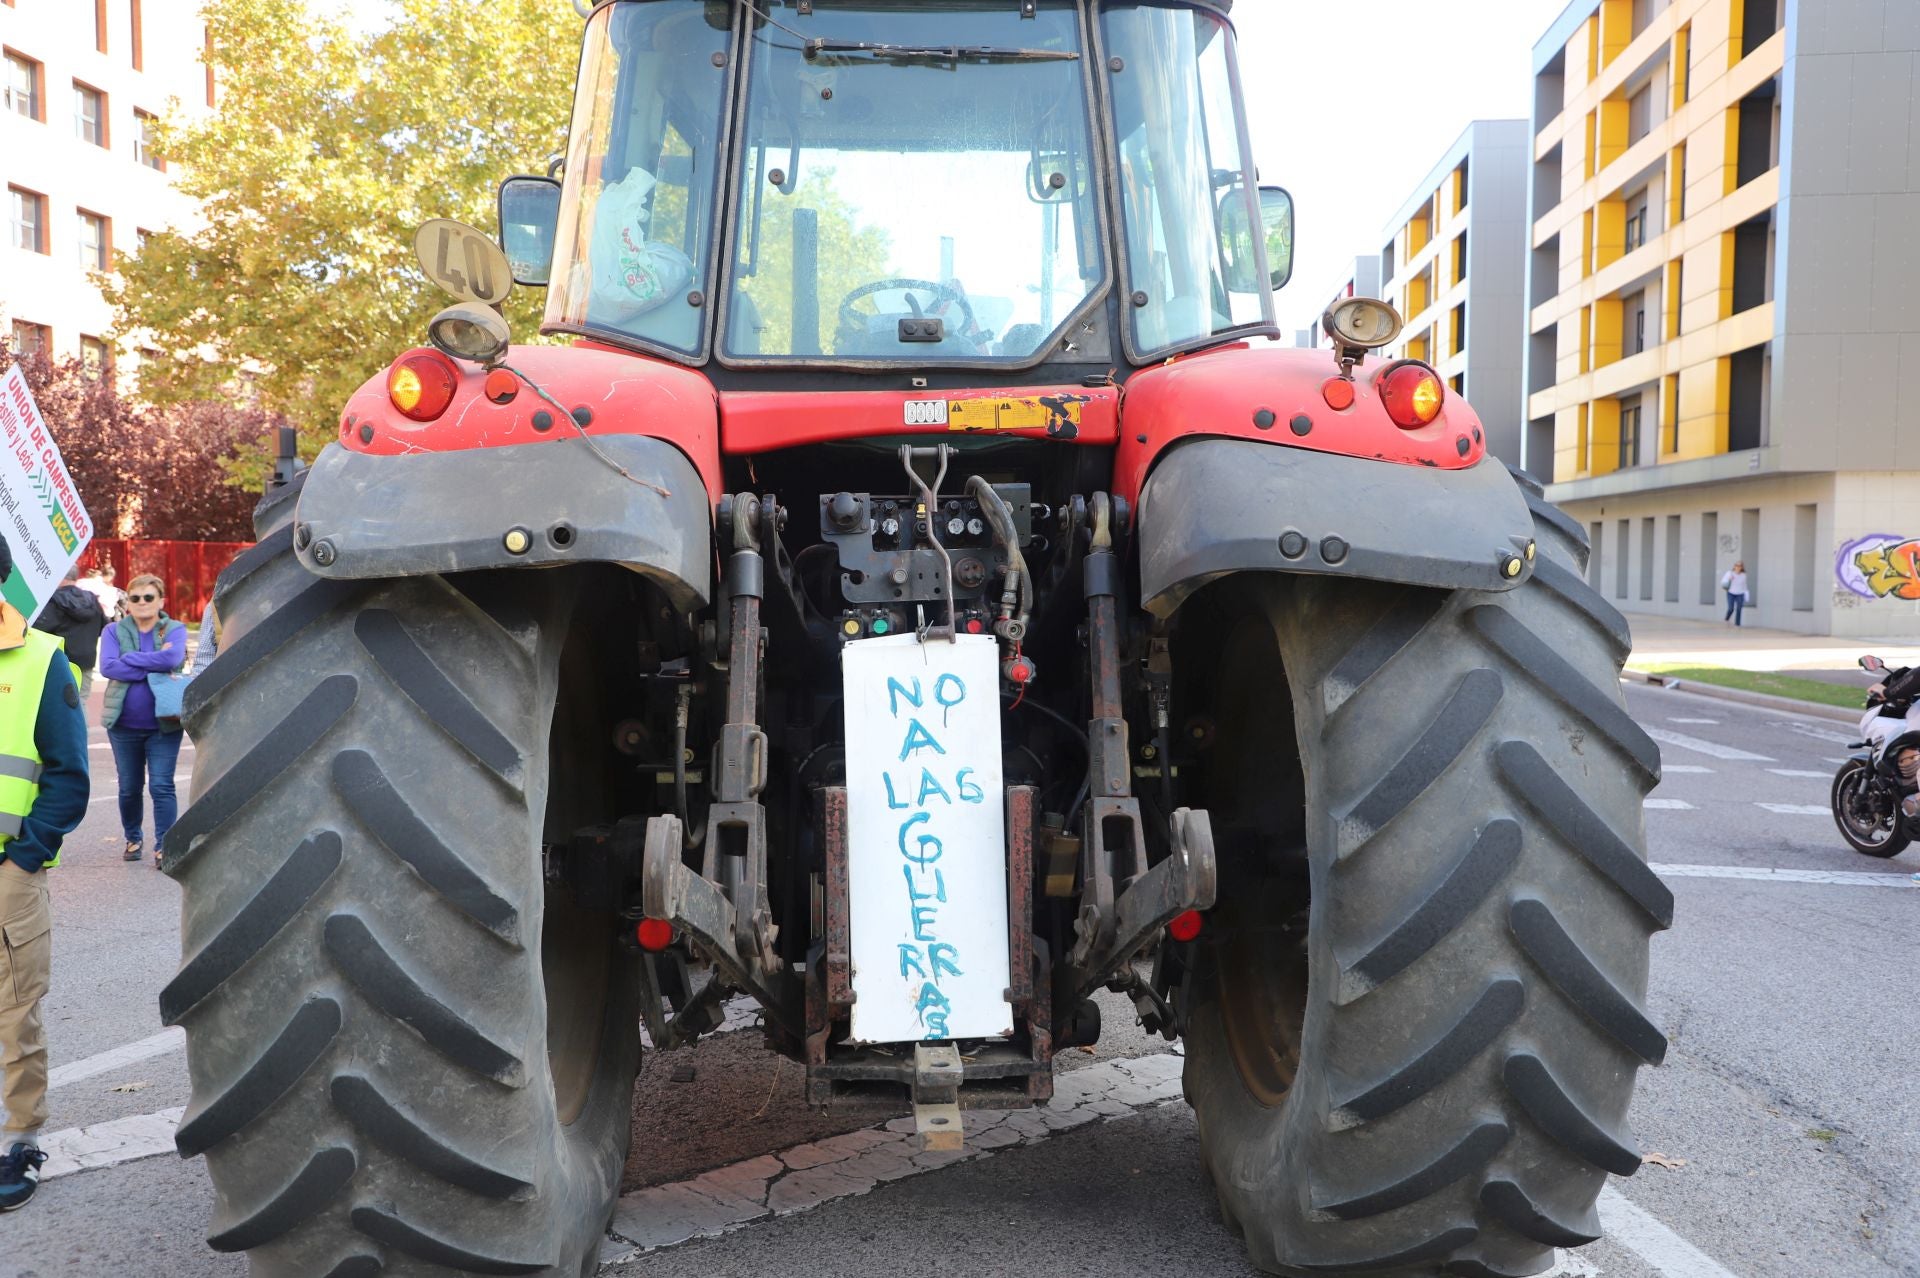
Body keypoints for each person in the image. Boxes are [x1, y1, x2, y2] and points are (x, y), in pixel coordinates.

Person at [0, 534, 90, 1212]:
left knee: (14, 1013)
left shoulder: (42, 663)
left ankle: (21, 1140)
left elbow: (68, 778)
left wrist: (26, 853)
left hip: (9, 871)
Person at [97, 575, 186, 868]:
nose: (142, 603)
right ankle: (133, 837)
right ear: (128, 603)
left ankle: (165, 846)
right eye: (135, 598)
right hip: (123, 726)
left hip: (164, 725)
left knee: (161, 786)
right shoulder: (113, 630)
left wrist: (131, 659)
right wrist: (151, 662)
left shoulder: (174, 629)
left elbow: (172, 660)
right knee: (129, 787)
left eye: (149, 597)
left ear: (161, 601)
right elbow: (108, 666)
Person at [34, 569, 107, 699]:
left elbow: (39, 629)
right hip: (87, 659)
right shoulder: (92, 599)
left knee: (58, 702)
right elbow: (103, 626)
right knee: (82, 700)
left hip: (60, 660)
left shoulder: (53, 600)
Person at [1720, 561, 1750, 626]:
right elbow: (1723, 581)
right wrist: (1729, 579)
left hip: (1740, 594)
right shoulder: (1730, 573)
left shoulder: (1744, 575)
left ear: (1742, 567)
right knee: (1731, 608)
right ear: (1734, 566)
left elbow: (1744, 585)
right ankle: (1727, 618)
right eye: (1736, 565)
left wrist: (1746, 594)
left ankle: (1737, 624)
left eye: (1739, 566)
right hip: (1731, 593)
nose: (1738, 567)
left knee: (1739, 608)